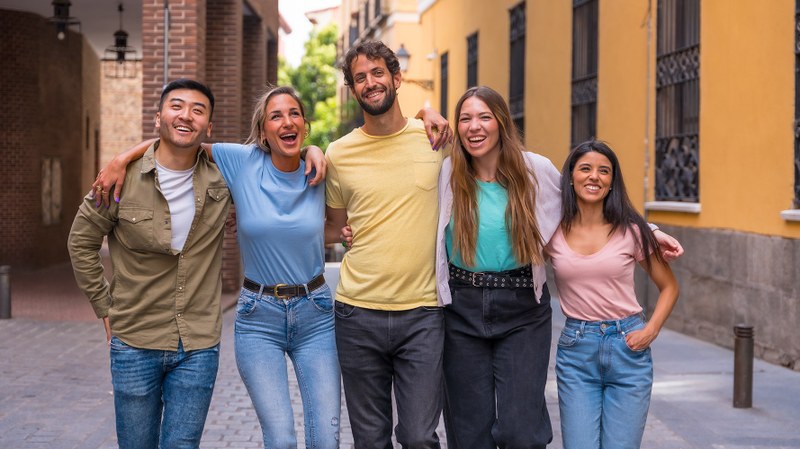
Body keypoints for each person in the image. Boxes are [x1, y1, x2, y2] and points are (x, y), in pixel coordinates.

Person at [429, 87, 683, 449]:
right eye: (465, 118)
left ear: (502, 122)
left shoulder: (534, 169)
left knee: (521, 432)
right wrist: (425, 113)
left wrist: (648, 231)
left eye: (484, 116)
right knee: (468, 431)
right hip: (462, 305)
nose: (474, 127)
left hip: (521, 306)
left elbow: (587, 201)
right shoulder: (448, 171)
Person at [92, 86, 339, 448]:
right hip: (260, 313)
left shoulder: (320, 169)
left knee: (326, 441)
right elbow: (178, 142)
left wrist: (314, 153)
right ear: (262, 131)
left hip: (315, 311)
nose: (287, 122)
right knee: (282, 440)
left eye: (294, 114)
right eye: (276, 116)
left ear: (305, 124)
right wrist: (121, 160)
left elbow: (333, 226)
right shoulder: (241, 161)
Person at [68, 78, 230, 449]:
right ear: (158, 117)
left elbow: (274, 154)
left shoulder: (223, 176)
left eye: (197, 109)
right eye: (176, 106)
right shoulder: (119, 181)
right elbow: (81, 241)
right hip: (135, 341)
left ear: (209, 127)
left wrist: (312, 152)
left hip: (198, 343)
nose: (185, 115)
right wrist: (103, 305)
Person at [324, 40, 452, 449]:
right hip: (357, 313)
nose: (370, 83)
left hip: (423, 314)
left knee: (419, 437)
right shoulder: (338, 154)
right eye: (359, 78)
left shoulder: (435, 140)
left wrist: (429, 111)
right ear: (353, 88)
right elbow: (335, 227)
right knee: (370, 440)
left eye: (378, 73)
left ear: (397, 78)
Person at [546, 139, 680, 449]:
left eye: (604, 171)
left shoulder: (632, 232)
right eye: (586, 169)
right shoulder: (552, 231)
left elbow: (670, 287)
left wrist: (651, 330)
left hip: (628, 349)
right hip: (577, 352)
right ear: (570, 176)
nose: (594, 176)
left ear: (611, 183)